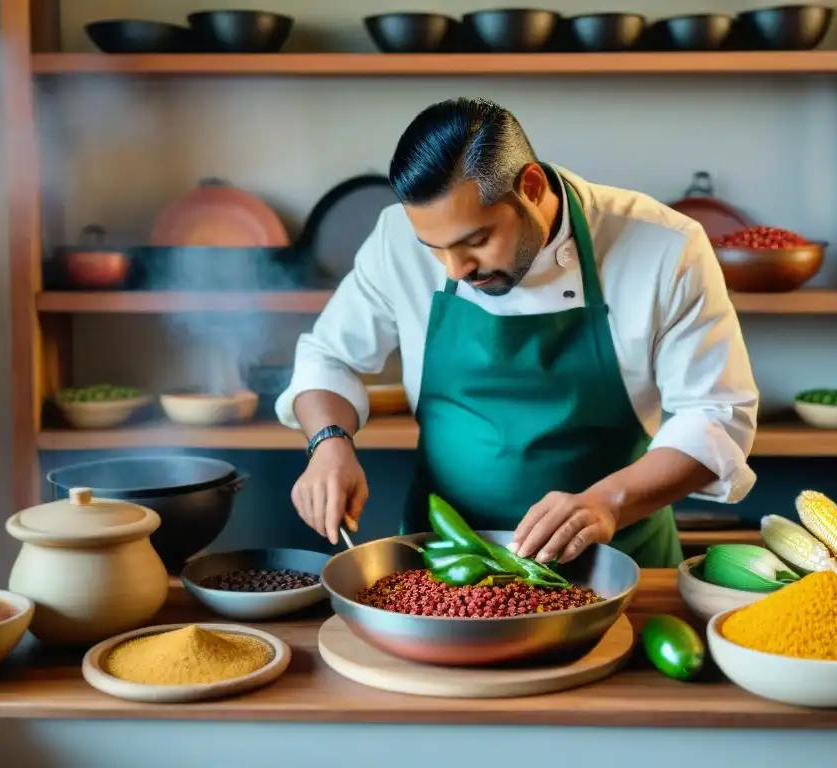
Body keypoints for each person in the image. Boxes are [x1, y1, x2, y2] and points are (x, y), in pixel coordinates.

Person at [276, 97, 758, 569]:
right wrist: (330, 441)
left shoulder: (663, 246)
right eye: (434, 249)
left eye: (476, 240)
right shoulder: (394, 238)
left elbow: (714, 415)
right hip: (444, 564)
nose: (457, 268)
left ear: (529, 185)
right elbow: (328, 356)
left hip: (616, 563)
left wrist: (607, 502)